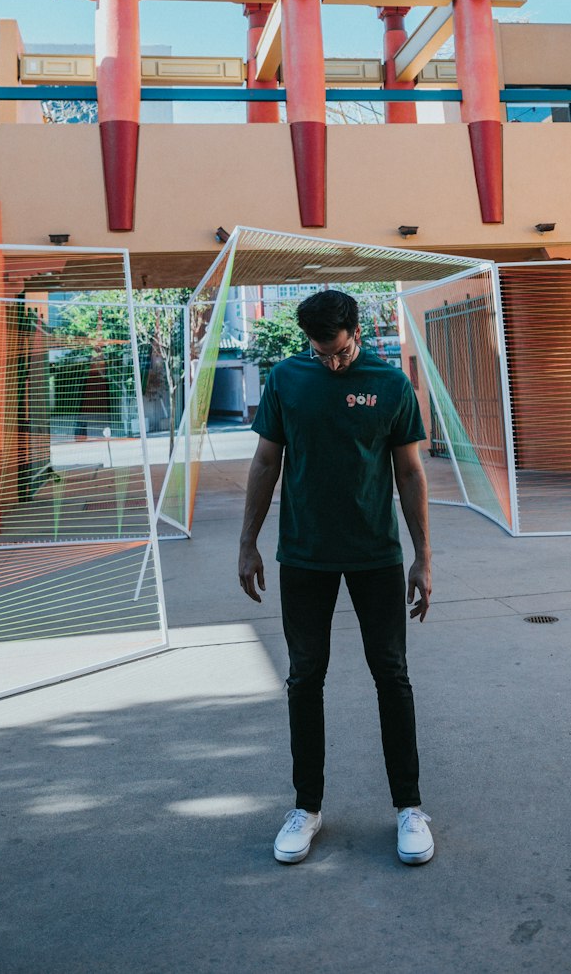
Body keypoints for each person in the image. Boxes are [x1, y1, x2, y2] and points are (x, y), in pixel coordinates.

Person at [238, 288, 434, 866]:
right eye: (320, 352)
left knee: (391, 676)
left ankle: (409, 808)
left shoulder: (392, 384)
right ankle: (307, 807)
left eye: (340, 352)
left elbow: (409, 472)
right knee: (304, 679)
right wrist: (247, 543)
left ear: (358, 331)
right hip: (302, 554)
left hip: (375, 554)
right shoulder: (285, 380)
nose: (331, 362)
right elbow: (265, 462)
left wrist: (424, 557)